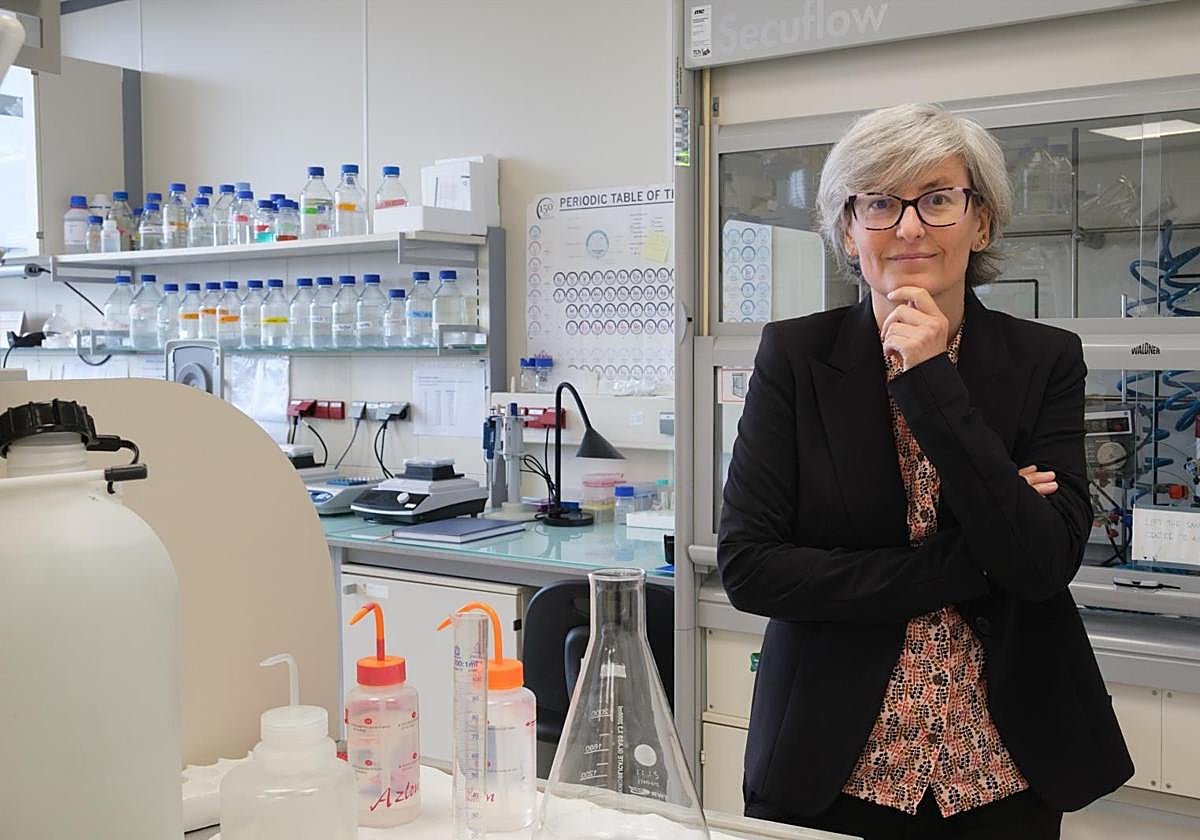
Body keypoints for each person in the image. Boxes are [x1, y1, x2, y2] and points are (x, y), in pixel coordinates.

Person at [717, 103, 1133, 840]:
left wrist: (931, 380)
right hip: (832, 765)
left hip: (1001, 767)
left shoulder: (1045, 361)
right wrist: (971, 557)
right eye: (880, 202)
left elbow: (1041, 564)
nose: (909, 227)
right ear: (849, 229)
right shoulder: (795, 359)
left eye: (938, 199)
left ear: (982, 223)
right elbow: (753, 568)